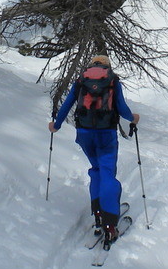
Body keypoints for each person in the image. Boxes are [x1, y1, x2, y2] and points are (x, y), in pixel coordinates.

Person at [47, 55, 140, 246]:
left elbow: (67, 105)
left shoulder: (81, 80)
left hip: (84, 134)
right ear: (107, 66)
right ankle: (110, 225)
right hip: (106, 135)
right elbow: (122, 108)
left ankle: (98, 215)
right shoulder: (112, 81)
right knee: (107, 174)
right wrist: (133, 118)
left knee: (96, 170)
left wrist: (56, 126)